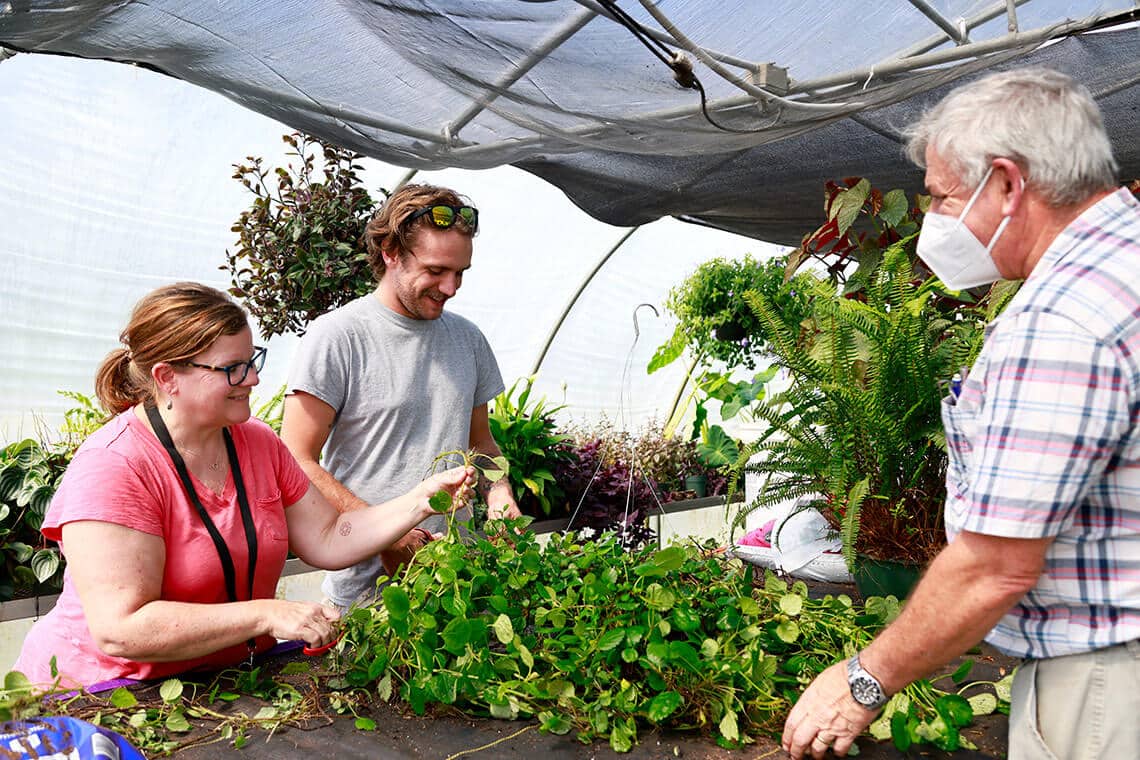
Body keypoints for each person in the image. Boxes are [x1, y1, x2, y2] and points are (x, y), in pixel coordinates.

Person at [783, 67, 1140, 759]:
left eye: (944, 198)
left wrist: (861, 680)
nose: (935, 221)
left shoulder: (1066, 319)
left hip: (1107, 689)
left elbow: (995, 564)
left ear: (1008, 184)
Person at [13, 283, 474, 688]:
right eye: (232, 368)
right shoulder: (114, 467)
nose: (252, 379)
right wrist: (267, 613)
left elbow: (330, 538)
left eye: (252, 361)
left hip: (211, 682)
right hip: (103, 694)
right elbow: (121, 628)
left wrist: (420, 501)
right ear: (167, 377)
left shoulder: (256, 443)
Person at [281, 183, 520, 612]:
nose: (450, 287)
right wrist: (387, 531)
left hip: (458, 581)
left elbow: (480, 443)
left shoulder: (467, 339)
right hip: (366, 597)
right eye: (435, 270)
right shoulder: (338, 337)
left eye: (460, 272)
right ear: (391, 252)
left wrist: (499, 494)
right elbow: (296, 458)